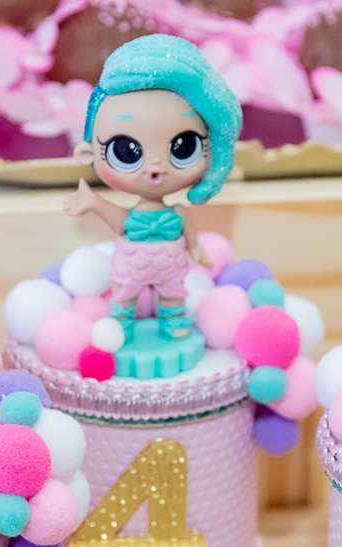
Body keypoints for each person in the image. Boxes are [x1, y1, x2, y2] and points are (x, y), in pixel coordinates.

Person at [64, 34, 242, 342]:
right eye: (126, 151)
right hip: (132, 263)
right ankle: (121, 322)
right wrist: (93, 203)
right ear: (87, 154)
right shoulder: (137, 218)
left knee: (173, 293)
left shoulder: (179, 212)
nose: (156, 167)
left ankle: (172, 321)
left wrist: (197, 251)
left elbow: (192, 241)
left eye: (183, 147)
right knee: (124, 292)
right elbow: (121, 222)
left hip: (170, 265)